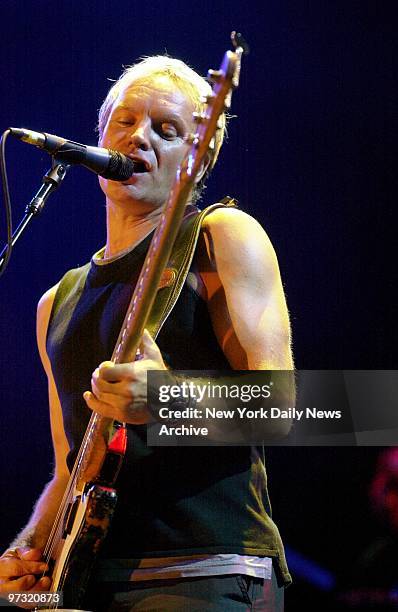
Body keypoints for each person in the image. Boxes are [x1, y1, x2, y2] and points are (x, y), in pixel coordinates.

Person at [0, 55, 293, 610]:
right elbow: (70, 471)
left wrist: (167, 401)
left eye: (167, 130)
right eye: (125, 122)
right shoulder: (54, 303)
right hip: (83, 584)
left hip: (203, 571)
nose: (140, 139)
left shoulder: (221, 238)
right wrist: (23, 553)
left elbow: (294, 411)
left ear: (199, 159)